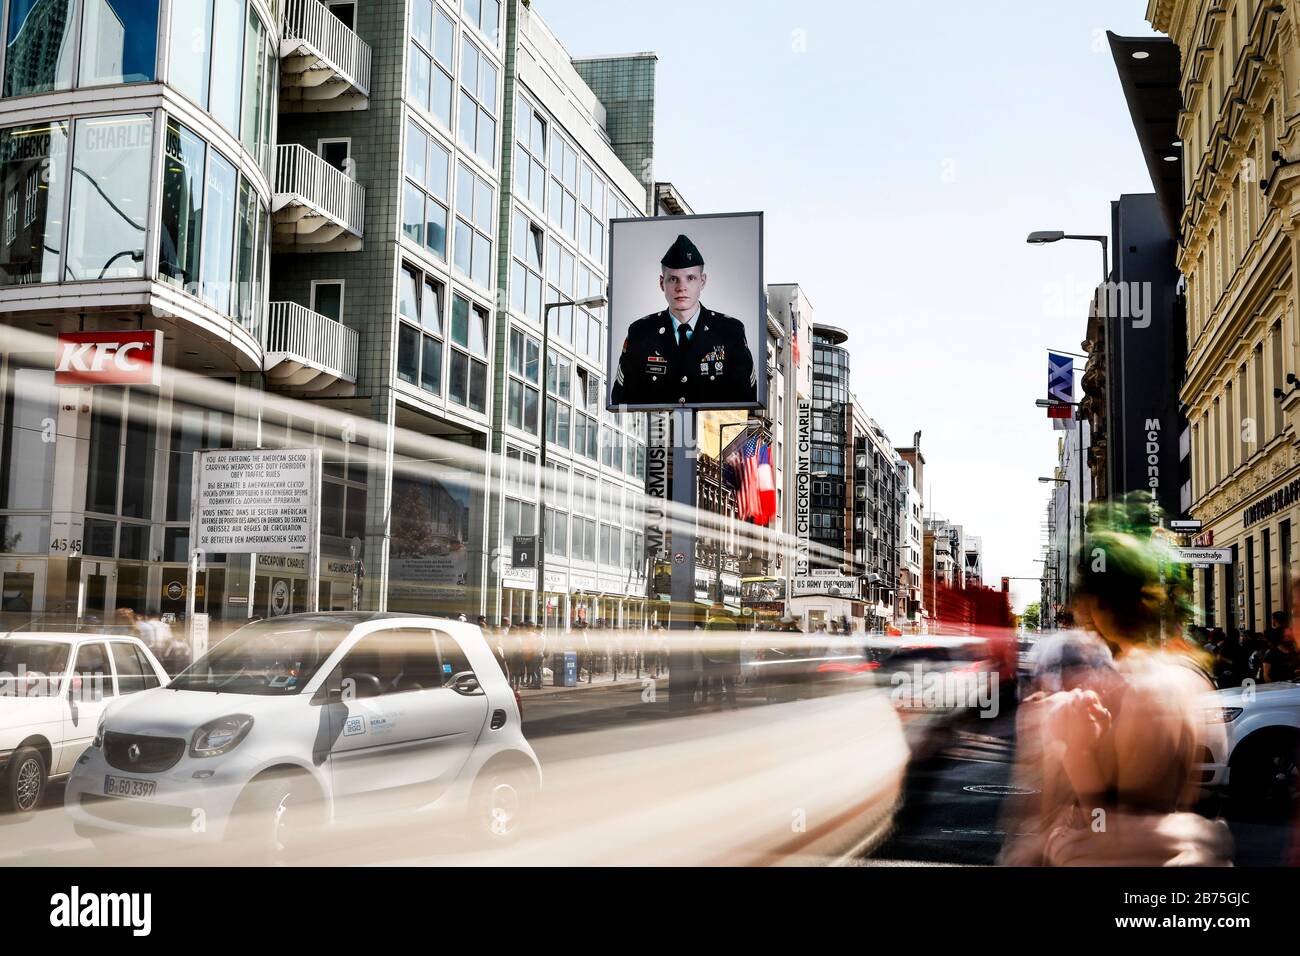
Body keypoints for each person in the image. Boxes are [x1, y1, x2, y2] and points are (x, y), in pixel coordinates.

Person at [998, 496, 1232, 867]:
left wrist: (1076, 751)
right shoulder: (1191, 680)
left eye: (1084, 597)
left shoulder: (1119, 691)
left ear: (1098, 605)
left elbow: (1100, 824)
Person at [609, 233, 756, 408]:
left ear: (702, 281)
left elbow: (746, 403)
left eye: (690, 278)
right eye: (673, 279)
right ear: (662, 283)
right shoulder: (641, 333)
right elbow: (622, 402)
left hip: (713, 434)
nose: (681, 288)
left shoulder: (730, 331)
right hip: (658, 434)